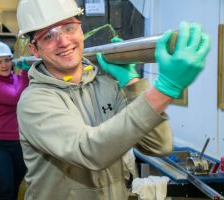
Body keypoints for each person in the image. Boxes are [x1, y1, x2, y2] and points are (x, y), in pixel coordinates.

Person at [16, 0, 211, 199]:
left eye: (69, 28)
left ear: (81, 31)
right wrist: (165, 89)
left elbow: (158, 145)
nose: (64, 41)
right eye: (48, 36)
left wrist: (132, 83)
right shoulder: (34, 101)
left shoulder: (106, 86)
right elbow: (89, 150)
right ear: (35, 50)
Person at [0, 41, 29, 200]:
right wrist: (25, 71)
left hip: (19, 143)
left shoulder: (17, 79)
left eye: (7, 60)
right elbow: (17, 98)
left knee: (15, 187)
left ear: (11, 60)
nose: (4, 65)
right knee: (4, 190)